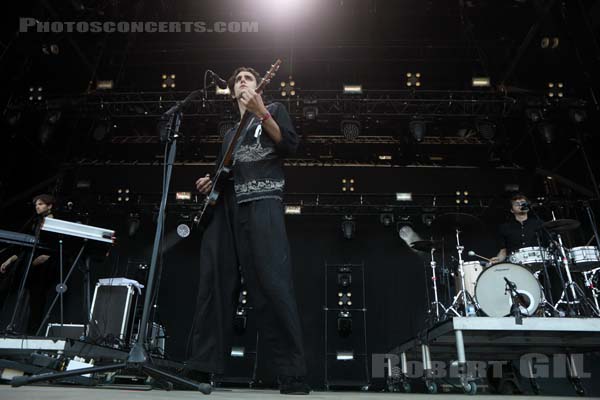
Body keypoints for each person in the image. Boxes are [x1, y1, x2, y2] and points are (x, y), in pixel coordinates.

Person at [188, 66, 309, 394]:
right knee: (216, 283)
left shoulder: (274, 110)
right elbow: (223, 175)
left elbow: (290, 145)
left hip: (264, 202)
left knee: (271, 284)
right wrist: (208, 181)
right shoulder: (228, 134)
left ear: (259, 87)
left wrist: (262, 113)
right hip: (229, 211)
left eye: (248, 78)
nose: (241, 81)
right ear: (231, 93)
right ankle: (203, 367)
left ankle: (292, 373)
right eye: (237, 80)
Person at [0, 194, 57, 334]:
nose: (37, 207)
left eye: (41, 204)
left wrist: (45, 257)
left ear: (49, 206)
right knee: (4, 289)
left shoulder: (54, 223)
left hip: (41, 268)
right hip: (25, 261)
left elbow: (56, 246)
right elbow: (23, 245)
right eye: (36, 204)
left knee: (36, 301)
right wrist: (9, 260)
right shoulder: (35, 222)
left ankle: (32, 334)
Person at [490, 193, 544, 264]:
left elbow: (548, 242)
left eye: (523, 203)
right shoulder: (504, 228)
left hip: (539, 262)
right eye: (517, 204)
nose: (520, 205)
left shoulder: (539, 223)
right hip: (516, 265)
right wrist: (498, 259)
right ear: (512, 210)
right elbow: (503, 251)